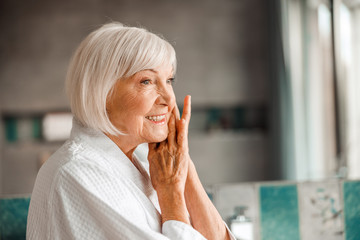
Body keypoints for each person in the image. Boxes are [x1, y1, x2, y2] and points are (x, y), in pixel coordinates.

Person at [27, 22, 234, 240]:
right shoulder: (76, 173)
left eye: (169, 80)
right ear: (103, 93)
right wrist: (171, 195)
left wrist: (182, 161)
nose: (169, 98)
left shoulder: (147, 160)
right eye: (147, 81)